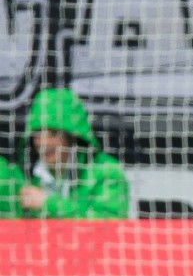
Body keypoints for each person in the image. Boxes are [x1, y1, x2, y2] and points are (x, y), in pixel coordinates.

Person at [17, 88, 129, 219]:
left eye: (53, 133)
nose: (43, 143)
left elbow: (108, 225)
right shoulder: (23, 175)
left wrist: (48, 204)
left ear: (72, 136)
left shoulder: (106, 172)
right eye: (37, 134)